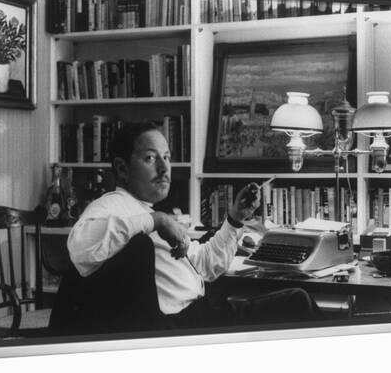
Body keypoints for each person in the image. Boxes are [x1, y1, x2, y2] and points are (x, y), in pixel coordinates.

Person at [65, 121, 319, 330]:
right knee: (298, 303)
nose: (165, 168)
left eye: (166, 157)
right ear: (122, 169)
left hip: (201, 315)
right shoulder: (111, 206)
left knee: (297, 303)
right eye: (151, 158)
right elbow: (80, 248)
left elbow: (205, 266)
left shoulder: (142, 212)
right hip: (177, 327)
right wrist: (156, 220)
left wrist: (235, 219)